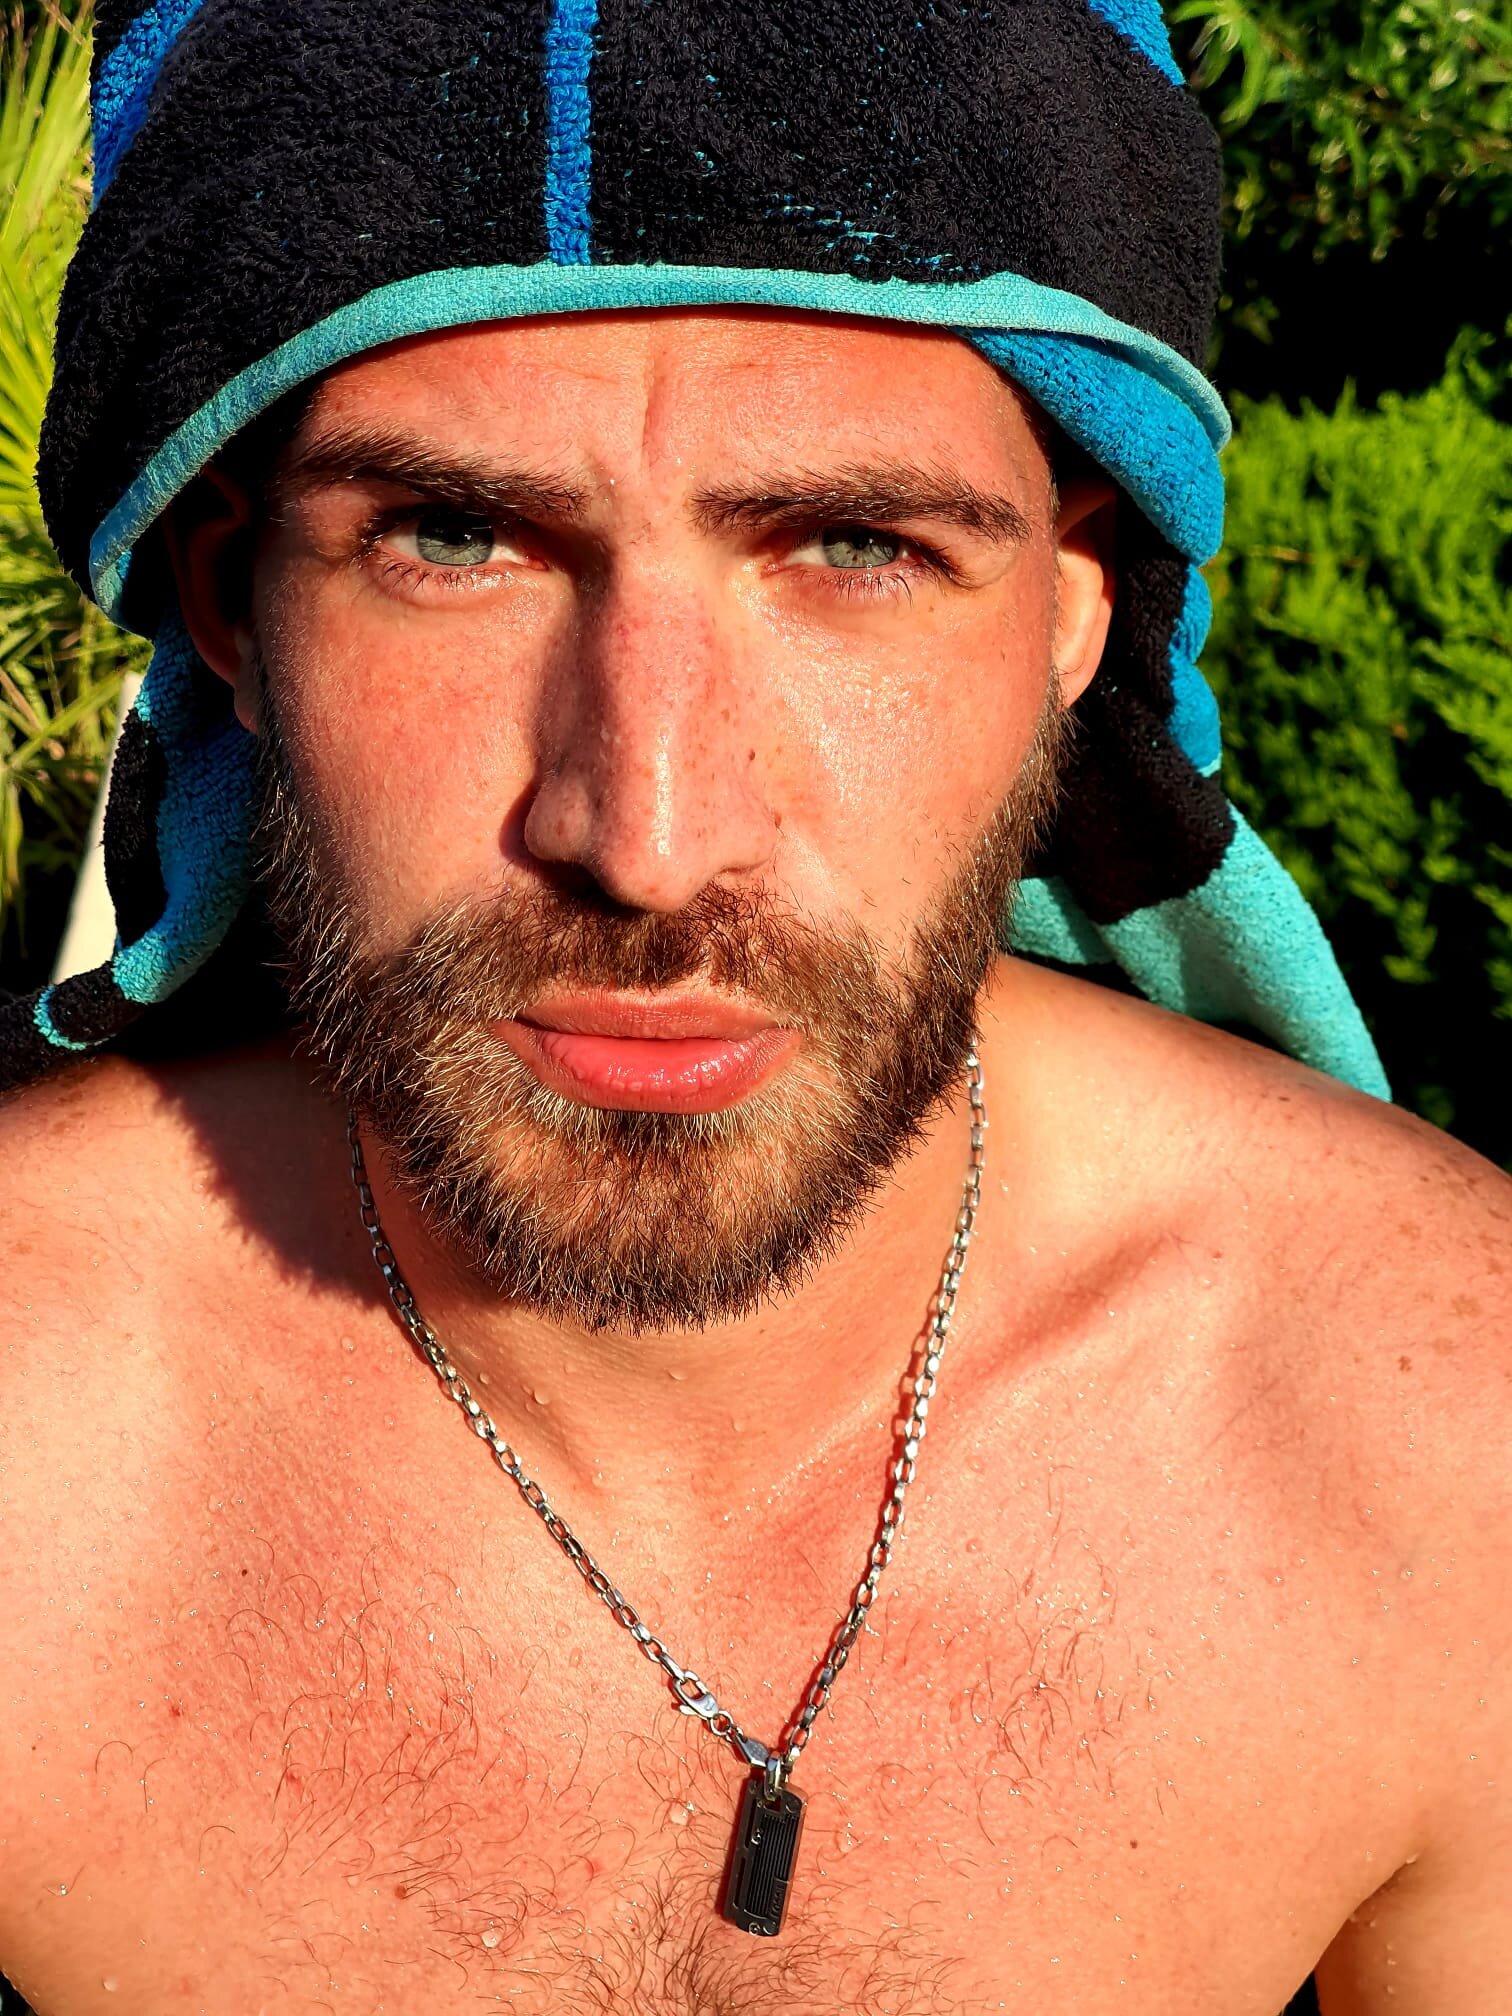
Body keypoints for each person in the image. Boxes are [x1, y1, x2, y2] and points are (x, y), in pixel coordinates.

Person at [1, 2, 1507, 2011]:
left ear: (1072, 616)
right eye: (454, 539)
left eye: (857, 547)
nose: (648, 835)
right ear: (232, 611)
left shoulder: (1438, 1431)